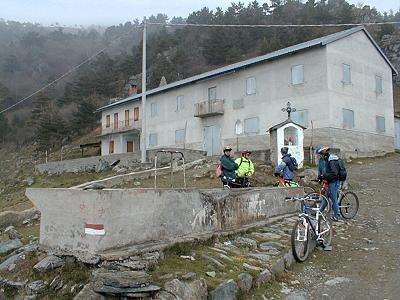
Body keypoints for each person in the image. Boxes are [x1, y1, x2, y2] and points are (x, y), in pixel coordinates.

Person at [317, 147, 340, 222]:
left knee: (334, 200)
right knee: (325, 198)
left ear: (325, 155)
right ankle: (320, 212)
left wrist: (324, 176)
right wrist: (321, 177)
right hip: (329, 182)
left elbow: (334, 173)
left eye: (321, 155)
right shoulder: (328, 160)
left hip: (333, 183)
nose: (321, 157)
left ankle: (336, 215)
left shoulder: (332, 161)